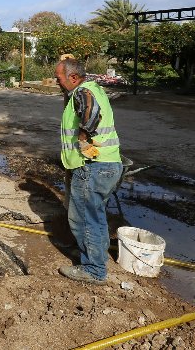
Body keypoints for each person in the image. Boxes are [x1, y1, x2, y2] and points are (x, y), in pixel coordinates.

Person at [55, 58, 122, 284]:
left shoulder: (83, 92)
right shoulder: (94, 89)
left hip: (92, 166)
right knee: (95, 215)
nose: (57, 82)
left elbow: (90, 115)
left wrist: (84, 138)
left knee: (82, 218)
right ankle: (93, 256)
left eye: (59, 78)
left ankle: (94, 269)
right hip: (106, 164)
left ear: (73, 77)